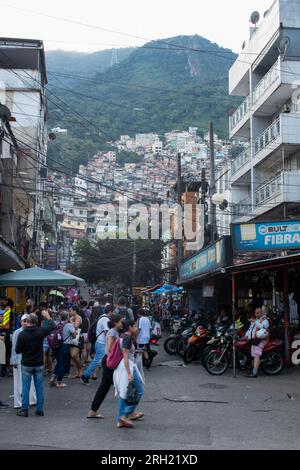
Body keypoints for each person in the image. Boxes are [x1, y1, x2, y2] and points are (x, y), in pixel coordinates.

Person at [15, 311, 55, 417]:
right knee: (39, 386)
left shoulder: (22, 334)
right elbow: (52, 326)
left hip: (26, 363)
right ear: (36, 322)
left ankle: (24, 409)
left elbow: (18, 350)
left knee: (25, 386)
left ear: (27, 322)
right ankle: (40, 409)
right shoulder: (40, 331)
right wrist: (48, 317)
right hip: (38, 363)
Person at [86, 314, 124, 419]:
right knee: (122, 386)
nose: (123, 323)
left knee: (104, 388)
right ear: (116, 322)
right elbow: (111, 349)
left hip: (108, 362)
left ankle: (93, 411)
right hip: (109, 362)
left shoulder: (116, 332)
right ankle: (127, 412)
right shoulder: (112, 332)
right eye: (121, 321)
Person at [113, 320, 144, 428]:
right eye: (135, 326)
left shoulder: (124, 336)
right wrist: (129, 373)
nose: (137, 328)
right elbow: (125, 356)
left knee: (125, 392)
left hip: (126, 367)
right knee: (137, 391)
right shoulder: (127, 338)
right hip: (126, 367)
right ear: (129, 327)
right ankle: (124, 415)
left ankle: (123, 417)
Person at [81, 305, 114, 384]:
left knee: (100, 361)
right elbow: (107, 333)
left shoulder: (102, 317)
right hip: (102, 343)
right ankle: (85, 375)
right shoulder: (105, 319)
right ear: (110, 311)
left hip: (100, 342)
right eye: (114, 311)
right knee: (97, 361)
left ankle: (109, 378)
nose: (115, 313)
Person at [10, 314, 37, 409]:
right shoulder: (17, 332)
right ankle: (18, 402)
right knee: (18, 382)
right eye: (23, 321)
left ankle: (32, 400)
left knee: (31, 380)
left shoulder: (31, 331)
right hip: (19, 360)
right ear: (21, 322)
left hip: (29, 360)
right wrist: (13, 360)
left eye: (27, 321)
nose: (25, 323)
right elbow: (14, 347)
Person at [50, 311, 76, 388]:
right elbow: (74, 335)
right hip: (65, 346)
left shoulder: (58, 324)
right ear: (67, 317)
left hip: (57, 345)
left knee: (59, 362)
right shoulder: (68, 325)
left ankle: (53, 378)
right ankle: (59, 382)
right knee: (62, 364)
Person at [245, 307, 270, 378]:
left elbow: (263, 327)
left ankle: (254, 373)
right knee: (254, 355)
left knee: (256, 355)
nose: (256, 314)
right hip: (254, 340)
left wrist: (255, 322)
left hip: (260, 341)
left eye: (258, 313)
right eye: (255, 313)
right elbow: (250, 329)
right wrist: (246, 336)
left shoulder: (265, 320)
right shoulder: (255, 320)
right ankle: (253, 370)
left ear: (262, 313)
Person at [69, 305, 83, 378]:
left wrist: (71, 322)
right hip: (72, 337)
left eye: (70, 310)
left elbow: (76, 326)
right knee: (73, 356)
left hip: (78, 338)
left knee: (73, 355)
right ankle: (77, 372)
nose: (69, 312)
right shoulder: (71, 317)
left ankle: (80, 368)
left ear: (75, 311)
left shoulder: (78, 317)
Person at [0, 296, 12, 377]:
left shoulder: (9, 311)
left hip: (5, 333)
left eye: (5, 300)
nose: (4, 302)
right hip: (2, 332)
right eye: (3, 300)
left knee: (4, 352)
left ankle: (4, 370)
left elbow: (12, 321)